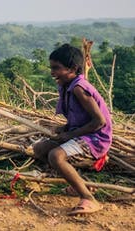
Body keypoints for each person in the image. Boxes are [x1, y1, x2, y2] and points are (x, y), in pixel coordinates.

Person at [33, 44, 112, 215]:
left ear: (73, 69)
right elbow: (78, 117)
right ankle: (78, 183)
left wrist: (69, 134)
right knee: (40, 149)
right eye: (51, 67)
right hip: (82, 134)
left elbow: (99, 122)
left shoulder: (78, 88)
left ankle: (89, 199)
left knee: (56, 156)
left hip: (95, 139)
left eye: (57, 68)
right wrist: (64, 128)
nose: (52, 72)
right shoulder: (67, 86)